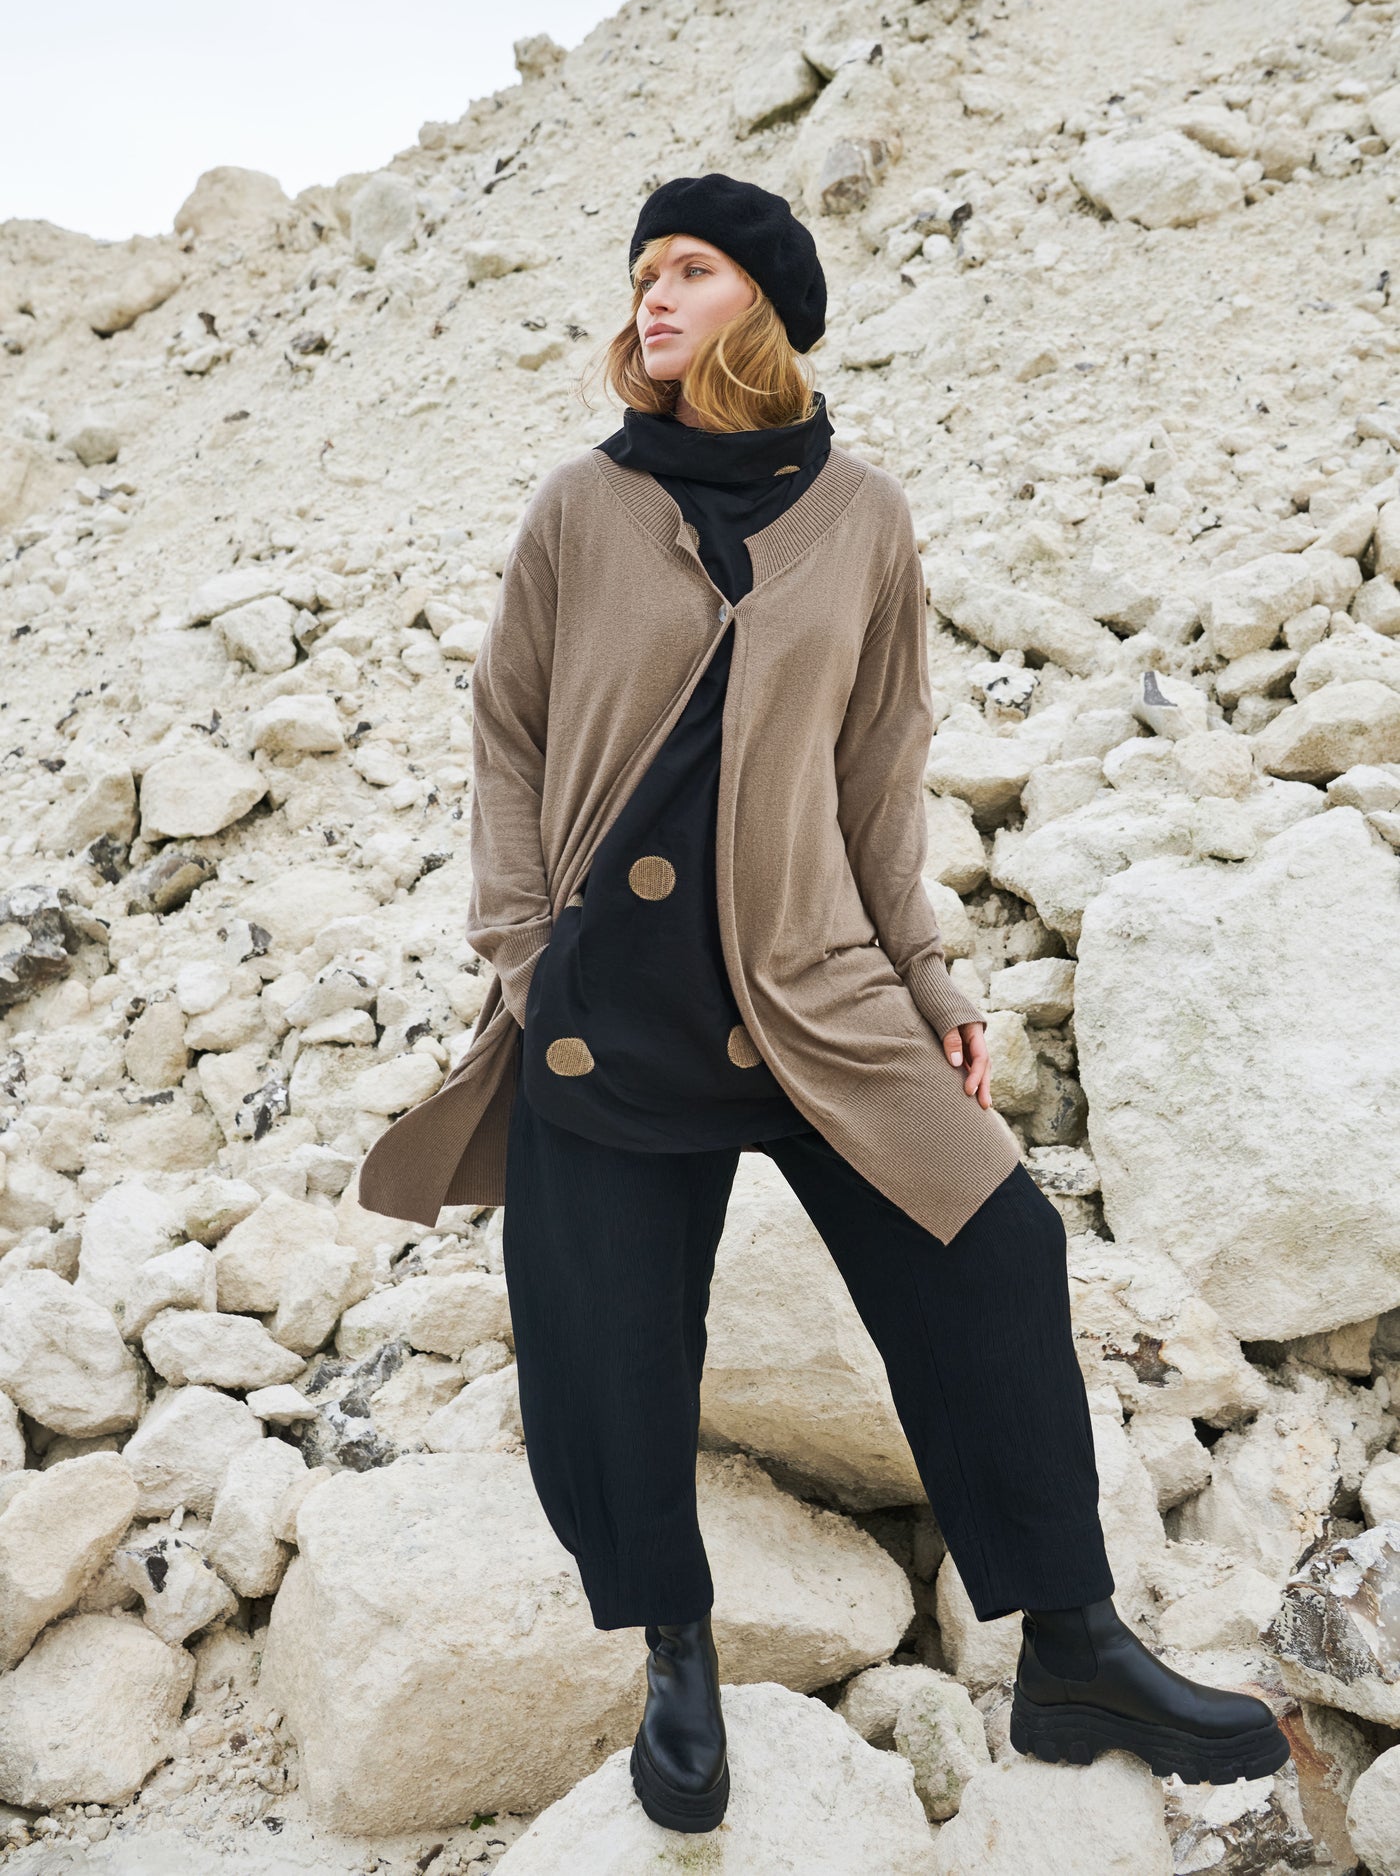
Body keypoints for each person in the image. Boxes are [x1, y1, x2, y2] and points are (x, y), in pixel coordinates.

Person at [366, 172, 1291, 1834]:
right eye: (641, 274)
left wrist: (925, 974)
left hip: (808, 980)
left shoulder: (861, 515)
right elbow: (508, 733)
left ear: (768, 303)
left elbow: (879, 768)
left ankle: (1072, 1645)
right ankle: (677, 1654)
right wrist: (518, 947)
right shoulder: (582, 507)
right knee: (610, 1344)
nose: (653, 299)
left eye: (691, 269)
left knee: (995, 1244)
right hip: (603, 1003)